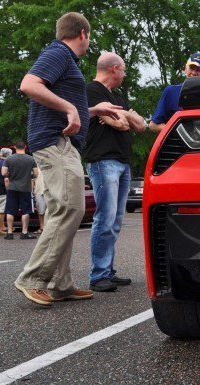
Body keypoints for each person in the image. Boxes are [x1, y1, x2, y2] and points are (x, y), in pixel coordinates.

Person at [14, 12, 121, 306]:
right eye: (89, 37)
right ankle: (32, 278)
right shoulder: (58, 52)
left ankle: (61, 284)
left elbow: (58, 100)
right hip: (55, 142)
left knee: (64, 210)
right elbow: (29, 85)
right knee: (72, 208)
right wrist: (71, 110)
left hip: (57, 142)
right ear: (83, 34)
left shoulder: (62, 59)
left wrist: (92, 111)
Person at [83, 52, 145, 292]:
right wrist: (121, 117)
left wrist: (122, 115)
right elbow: (119, 123)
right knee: (105, 217)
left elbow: (138, 125)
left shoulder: (118, 96)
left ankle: (108, 270)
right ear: (115, 68)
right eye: (124, 70)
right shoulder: (91, 91)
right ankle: (98, 275)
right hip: (102, 160)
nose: (125, 75)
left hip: (122, 161)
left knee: (116, 220)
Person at [148, 52, 200, 132]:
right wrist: (181, 134)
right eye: (191, 68)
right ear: (185, 69)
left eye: (199, 69)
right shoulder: (171, 92)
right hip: (177, 144)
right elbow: (153, 125)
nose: (194, 73)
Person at [2, 141, 38, 240]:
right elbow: (36, 174)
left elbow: (4, 173)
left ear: (15, 147)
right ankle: (24, 232)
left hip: (12, 187)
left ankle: (9, 233)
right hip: (25, 188)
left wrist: (11, 175)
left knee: (10, 210)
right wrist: (28, 175)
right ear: (25, 147)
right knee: (25, 210)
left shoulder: (9, 158)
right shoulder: (31, 159)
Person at [0, 147, 10, 236]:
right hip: (2, 190)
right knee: (1, 211)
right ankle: (0, 229)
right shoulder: (5, 165)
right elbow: (6, 180)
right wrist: (8, 190)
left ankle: (2, 227)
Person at [33, 168, 46, 234]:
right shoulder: (36, 166)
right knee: (41, 211)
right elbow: (32, 179)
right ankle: (42, 227)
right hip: (39, 191)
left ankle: (49, 228)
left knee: (51, 211)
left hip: (51, 191)